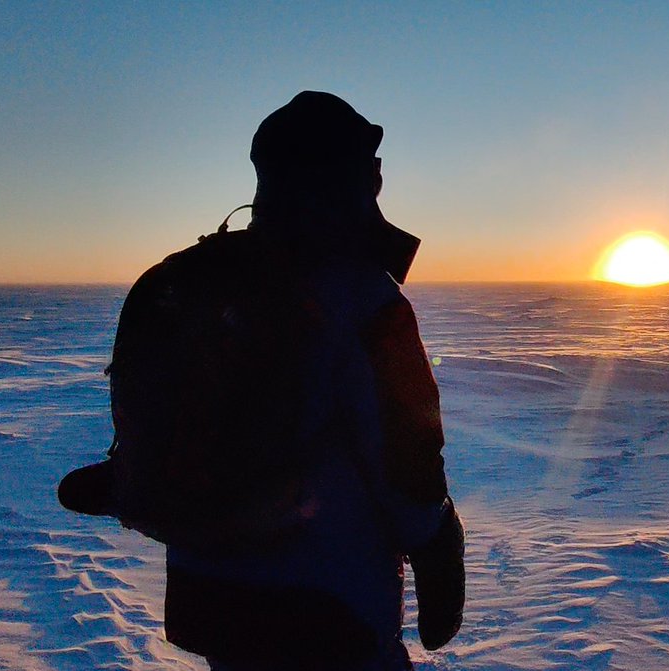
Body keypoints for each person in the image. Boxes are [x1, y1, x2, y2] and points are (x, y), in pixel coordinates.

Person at [58, 91, 464, 670]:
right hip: (330, 614)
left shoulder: (193, 283)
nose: (379, 175)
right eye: (370, 164)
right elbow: (408, 461)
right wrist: (439, 544)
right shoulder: (364, 300)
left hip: (212, 603)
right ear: (350, 176)